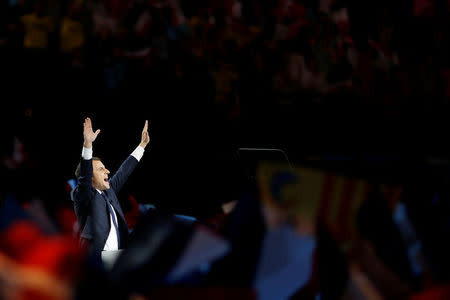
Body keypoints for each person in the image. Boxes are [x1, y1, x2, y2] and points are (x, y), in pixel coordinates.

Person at [72, 117, 150, 255]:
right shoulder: (83, 195)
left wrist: (142, 146)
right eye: (101, 169)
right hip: (96, 258)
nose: (107, 171)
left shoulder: (109, 191)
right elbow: (84, 177)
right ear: (90, 175)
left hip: (117, 255)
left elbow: (124, 171)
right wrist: (87, 145)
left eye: (105, 168)